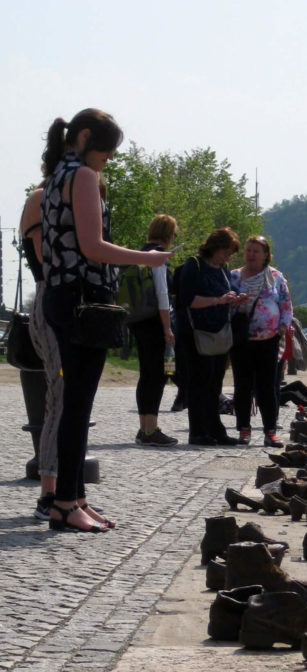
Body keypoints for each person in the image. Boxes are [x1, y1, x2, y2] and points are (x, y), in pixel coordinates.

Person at [41, 108, 172, 533]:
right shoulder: (81, 177)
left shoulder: (56, 175)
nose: (109, 159)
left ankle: (75, 496)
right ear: (84, 138)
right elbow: (94, 247)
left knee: (77, 401)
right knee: (78, 404)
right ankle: (65, 503)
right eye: (107, 151)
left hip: (64, 295)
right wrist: (147, 258)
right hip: (85, 299)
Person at [174, 227, 244, 446]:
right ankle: (198, 431)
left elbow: (227, 292)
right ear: (216, 247)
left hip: (219, 333)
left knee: (215, 384)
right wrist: (217, 300)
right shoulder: (194, 266)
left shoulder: (223, 270)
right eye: (227, 252)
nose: (228, 257)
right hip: (196, 333)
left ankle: (215, 429)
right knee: (199, 383)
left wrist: (235, 299)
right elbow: (187, 300)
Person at [20, 174, 63, 521]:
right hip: (51, 307)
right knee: (57, 402)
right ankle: (50, 495)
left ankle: (65, 491)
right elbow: (46, 260)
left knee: (63, 402)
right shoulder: (40, 200)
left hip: (57, 306)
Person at [229, 235, 293, 447]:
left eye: (256, 251)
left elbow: (286, 305)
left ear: (266, 255)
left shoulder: (275, 276)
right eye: (248, 250)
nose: (251, 255)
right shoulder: (235, 277)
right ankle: (244, 430)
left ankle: (270, 431)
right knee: (243, 386)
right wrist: (235, 302)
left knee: (267, 386)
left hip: (269, 340)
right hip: (242, 339)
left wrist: (281, 328)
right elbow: (225, 306)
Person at [131, 214, 178, 447]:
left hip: (137, 320)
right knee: (157, 376)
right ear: (170, 235)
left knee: (146, 374)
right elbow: (162, 295)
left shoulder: (140, 254)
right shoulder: (158, 258)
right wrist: (168, 328)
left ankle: (144, 427)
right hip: (154, 322)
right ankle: (151, 429)